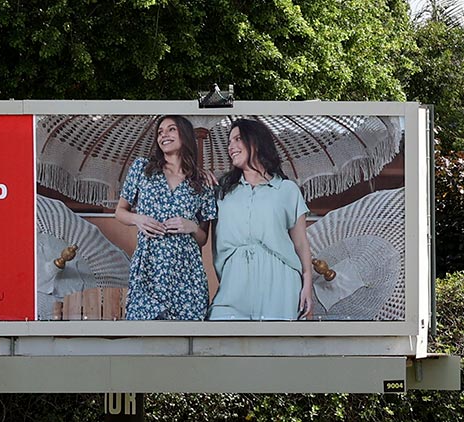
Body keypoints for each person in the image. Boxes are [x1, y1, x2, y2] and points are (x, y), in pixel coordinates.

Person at [210, 117, 316, 321]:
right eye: (229, 142)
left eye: (238, 139)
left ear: (256, 142)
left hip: (281, 280)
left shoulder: (287, 190)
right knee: (220, 341)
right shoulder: (222, 190)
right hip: (234, 281)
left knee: (276, 349)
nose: (231, 146)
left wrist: (307, 286)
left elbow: (301, 243)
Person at [114, 115, 217, 320]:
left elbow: (203, 238)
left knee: (188, 344)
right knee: (143, 335)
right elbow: (120, 211)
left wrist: (192, 226)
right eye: (160, 132)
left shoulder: (201, 181)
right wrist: (138, 219)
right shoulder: (143, 169)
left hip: (187, 272)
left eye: (171, 129)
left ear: (185, 135)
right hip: (149, 267)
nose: (164, 135)